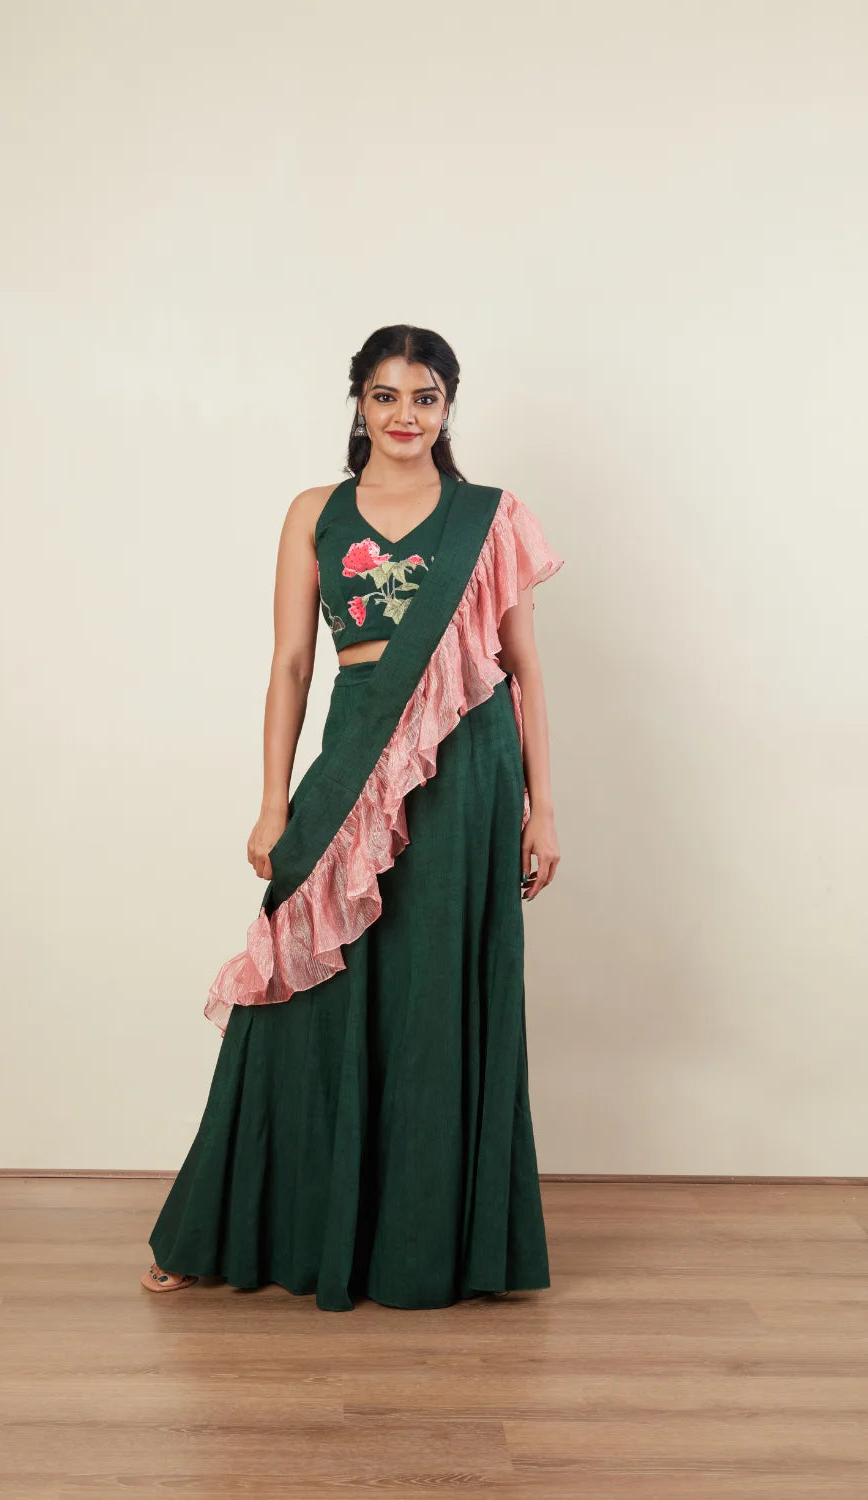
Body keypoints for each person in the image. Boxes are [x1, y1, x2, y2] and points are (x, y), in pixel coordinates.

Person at [141, 324, 565, 1311]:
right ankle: (233, 1230)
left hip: (468, 767)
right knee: (301, 985)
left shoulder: (490, 518)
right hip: (352, 756)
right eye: (385, 395)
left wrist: (542, 806)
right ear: (359, 404)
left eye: (425, 396)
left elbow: (524, 669)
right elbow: (292, 665)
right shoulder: (314, 513)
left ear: (447, 408)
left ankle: (429, 1249)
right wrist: (272, 802)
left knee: (436, 992)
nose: (405, 415)